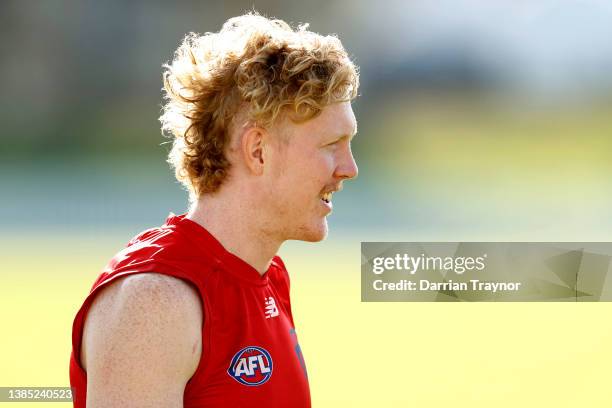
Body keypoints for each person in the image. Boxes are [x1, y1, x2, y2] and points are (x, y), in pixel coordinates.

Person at [69, 11, 359, 408]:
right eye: (332, 145)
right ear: (258, 151)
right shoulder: (155, 301)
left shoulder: (268, 277)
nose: (350, 169)